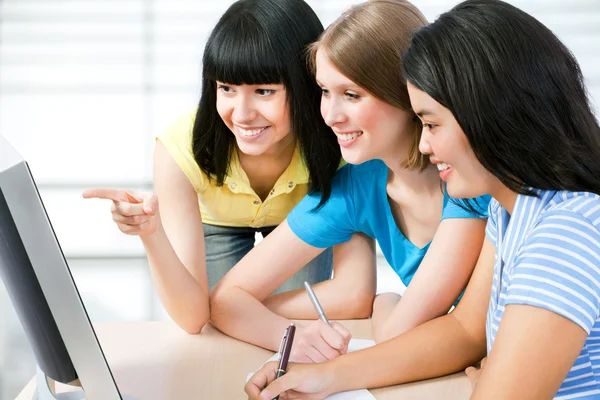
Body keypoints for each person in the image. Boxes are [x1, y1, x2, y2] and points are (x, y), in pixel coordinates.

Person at [244, 1, 600, 399]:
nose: (425, 143)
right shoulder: (510, 209)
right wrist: (326, 376)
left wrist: (496, 377)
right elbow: (464, 330)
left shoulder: (564, 234)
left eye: (431, 124)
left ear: (491, 116)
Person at [211, 0, 489, 364]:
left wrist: (385, 303)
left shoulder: (470, 177)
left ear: (407, 92)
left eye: (352, 95)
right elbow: (226, 299)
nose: (330, 115)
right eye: (325, 91)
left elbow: (399, 334)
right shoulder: (357, 186)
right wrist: (287, 337)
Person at [82, 0, 341, 334]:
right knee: (215, 333)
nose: (242, 114)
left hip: (300, 219)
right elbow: (193, 318)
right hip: (216, 222)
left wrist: (238, 307)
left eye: (264, 91)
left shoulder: (339, 141)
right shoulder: (179, 148)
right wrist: (151, 233)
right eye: (227, 89)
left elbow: (348, 296)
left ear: (306, 85)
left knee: (292, 323)